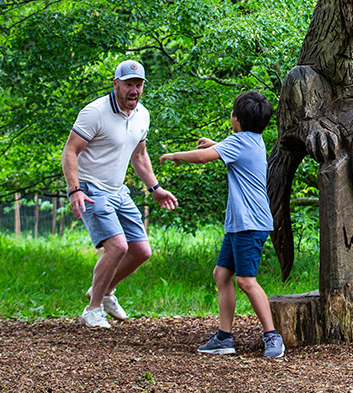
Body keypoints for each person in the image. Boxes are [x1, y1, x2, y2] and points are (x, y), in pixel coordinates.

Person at [160, 91, 285, 358]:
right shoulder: (253, 140)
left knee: (246, 280)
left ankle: (272, 336)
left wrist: (174, 155)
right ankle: (224, 338)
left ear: (236, 119)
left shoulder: (237, 142)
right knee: (221, 274)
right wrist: (216, 143)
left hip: (249, 224)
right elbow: (232, 151)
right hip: (241, 223)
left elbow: (204, 158)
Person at [62, 59, 178, 329]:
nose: (134, 91)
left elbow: (139, 155)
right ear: (116, 84)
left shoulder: (142, 115)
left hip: (118, 190)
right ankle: (93, 309)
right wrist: (74, 189)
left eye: (138, 85)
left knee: (141, 250)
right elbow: (70, 151)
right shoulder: (95, 113)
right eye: (128, 84)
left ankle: (102, 292)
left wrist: (156, 188)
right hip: (90, 186)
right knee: (117, 247)